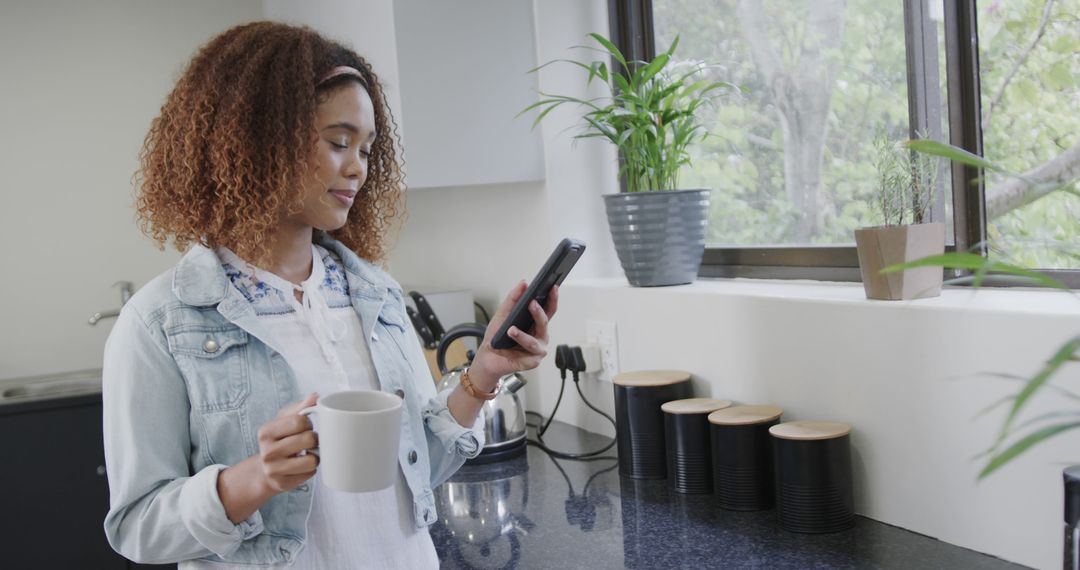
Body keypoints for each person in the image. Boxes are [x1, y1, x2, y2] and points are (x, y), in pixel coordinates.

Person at [102, 21, 557, 569]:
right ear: (258, 137)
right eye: (338, 142)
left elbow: (419, 468)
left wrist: (483, 373)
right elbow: (138, 529)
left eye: (366, 148)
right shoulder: (160, 322)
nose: (357, 168)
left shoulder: (376, 294)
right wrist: (255, 479)